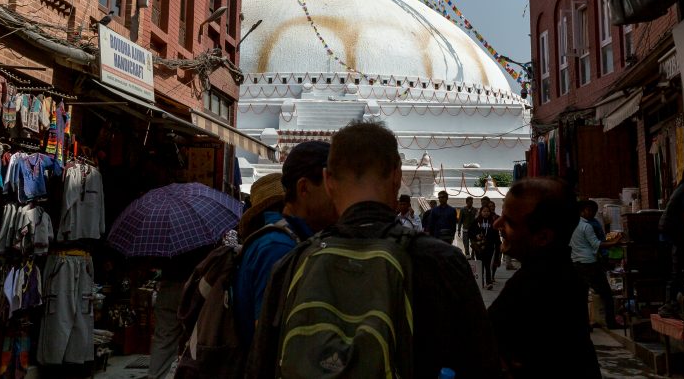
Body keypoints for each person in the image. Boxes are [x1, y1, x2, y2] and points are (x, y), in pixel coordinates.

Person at [248, 121, 499, 378]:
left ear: (328, 180)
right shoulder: (442, 261)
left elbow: (260, 368)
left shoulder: (292, 263)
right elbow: (483, 366)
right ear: (397, 176)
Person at [489, 178, 602, 378]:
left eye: (509, 222)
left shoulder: (534, 285)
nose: (496, 224)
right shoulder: (563, 274)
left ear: (542, 238)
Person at [233, 141, 336, 347]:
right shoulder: (278, 249)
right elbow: (268, 341)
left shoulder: (290, 240)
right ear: (304, 188)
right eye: (331, 190)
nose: (339, 200)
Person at [147, 246, 212, 379]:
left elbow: (156, 261)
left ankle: (155, 376)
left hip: (169, 288)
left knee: (164, 339)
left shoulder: (163, 232)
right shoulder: (200, 234)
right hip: (194, 288)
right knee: (199, 339)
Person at [571, 200, 621, 329]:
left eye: (594, 210)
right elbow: (596, 244)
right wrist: (614, 242)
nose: (593, 213)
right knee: (607, 295)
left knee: (581, 296)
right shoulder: (586, 226)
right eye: (590, 210)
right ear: (582, 210)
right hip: (589, 264)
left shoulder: (572, 225)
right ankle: (611, 322)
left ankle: (584, 324)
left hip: (577, 263)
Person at [658, 173, 684, 319]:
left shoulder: (680, 188)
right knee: (678, 270)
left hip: (671, 234)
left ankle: (672, 303)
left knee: (676, 270)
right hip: (677, 234)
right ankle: (672, 304)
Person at [467, 204, 501, 289]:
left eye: (488, 211)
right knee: (480, 265)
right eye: (484, 211)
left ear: (490, 212)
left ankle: (488, 282)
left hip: (489, 247)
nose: (486, 213)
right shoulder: (476, 221)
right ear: (481, 212)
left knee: (488, 265)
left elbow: (496, 235)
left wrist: (498, 246)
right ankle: (480, 282)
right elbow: (470, 232)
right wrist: (476, 236)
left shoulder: (492, 222)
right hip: (479, 247)